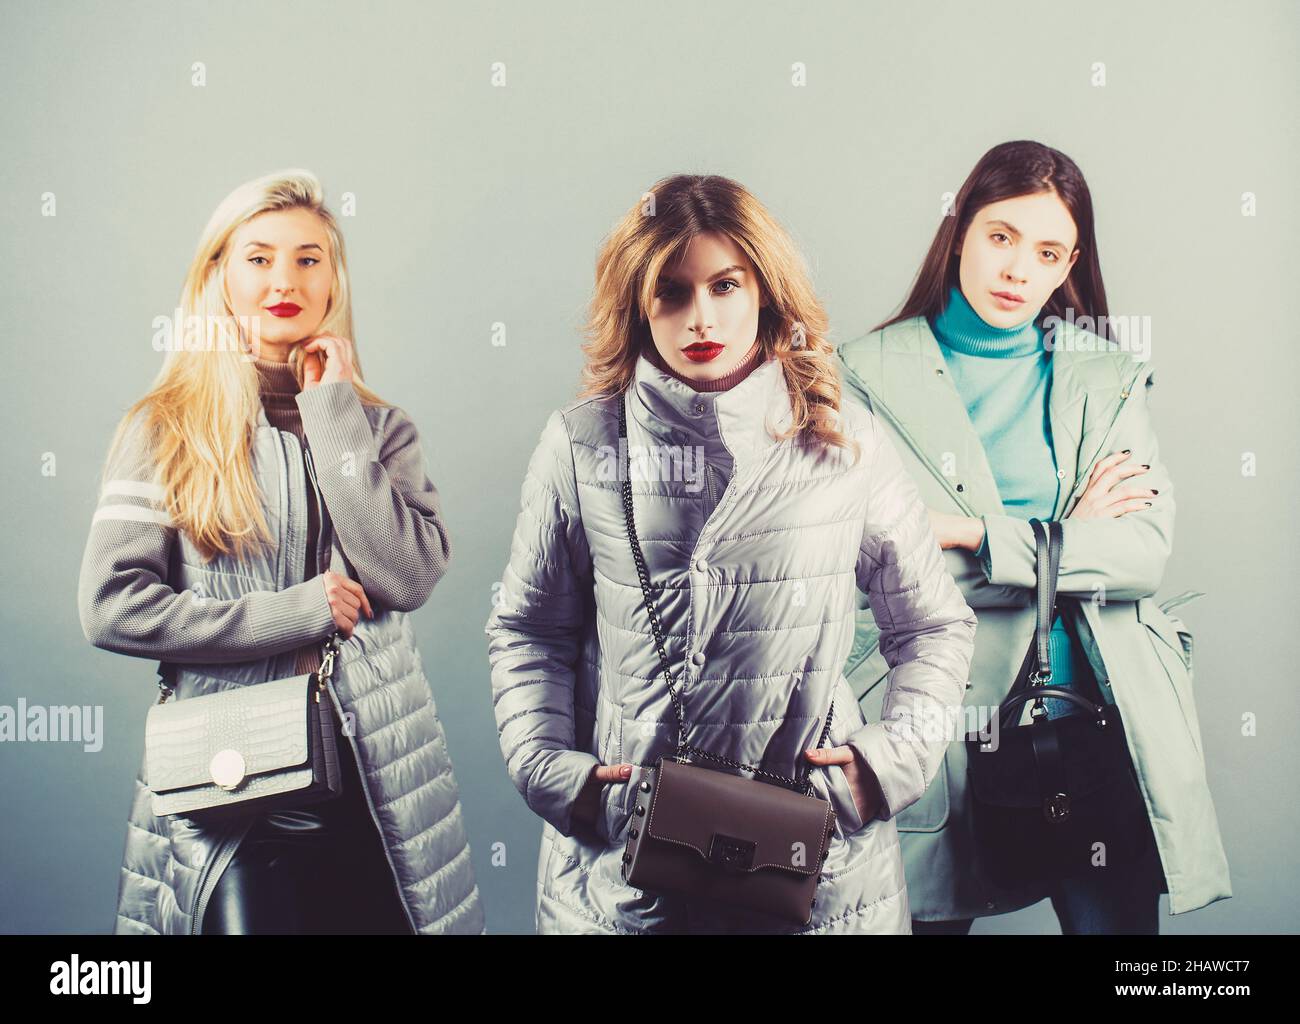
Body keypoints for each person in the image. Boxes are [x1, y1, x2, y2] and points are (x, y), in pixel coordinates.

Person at [485, 173, 977, 934]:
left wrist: (880, 771)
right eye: (671, 292)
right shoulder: (582, 445)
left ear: (765, 290)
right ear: (637, 304)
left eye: (724, 284)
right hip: (621, 880)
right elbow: (527, 630)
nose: (701, 317)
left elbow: (935, 626)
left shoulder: (846, 445)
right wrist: (564, 781)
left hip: (818, 876)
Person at [836, 140, 1231, 934]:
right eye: (1001, 237)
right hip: (936, 721)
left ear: (1070, 263)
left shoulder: (1103, 375)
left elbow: (1141, 555)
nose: (1018, 269)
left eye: (1047, 250)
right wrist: (1069, 537)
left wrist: (977, 536)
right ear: (960, 232)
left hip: (1095, 718)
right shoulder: (863, 377)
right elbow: (882, 563)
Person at [77, 169, 484, 935]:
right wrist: (292, 614)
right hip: (236, 794)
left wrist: (331, 413)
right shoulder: (164, 428)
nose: (283, 281)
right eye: (258, 259)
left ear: (333, 280)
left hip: (379, 788)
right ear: (219, 277)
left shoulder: (379, 426)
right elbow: (110, 607)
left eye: (308, 258)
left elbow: (408, 574)